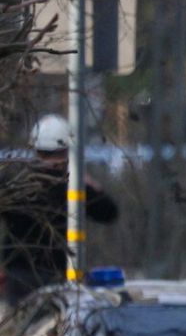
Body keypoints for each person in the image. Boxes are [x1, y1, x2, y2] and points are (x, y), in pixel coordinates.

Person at [1, 115, 118, 304]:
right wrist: (93, 186)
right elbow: (109, 213)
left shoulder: (15, 184)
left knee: (23, 330)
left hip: (19, 276)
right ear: (67, 150)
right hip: (58, 277)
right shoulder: (74, 187)